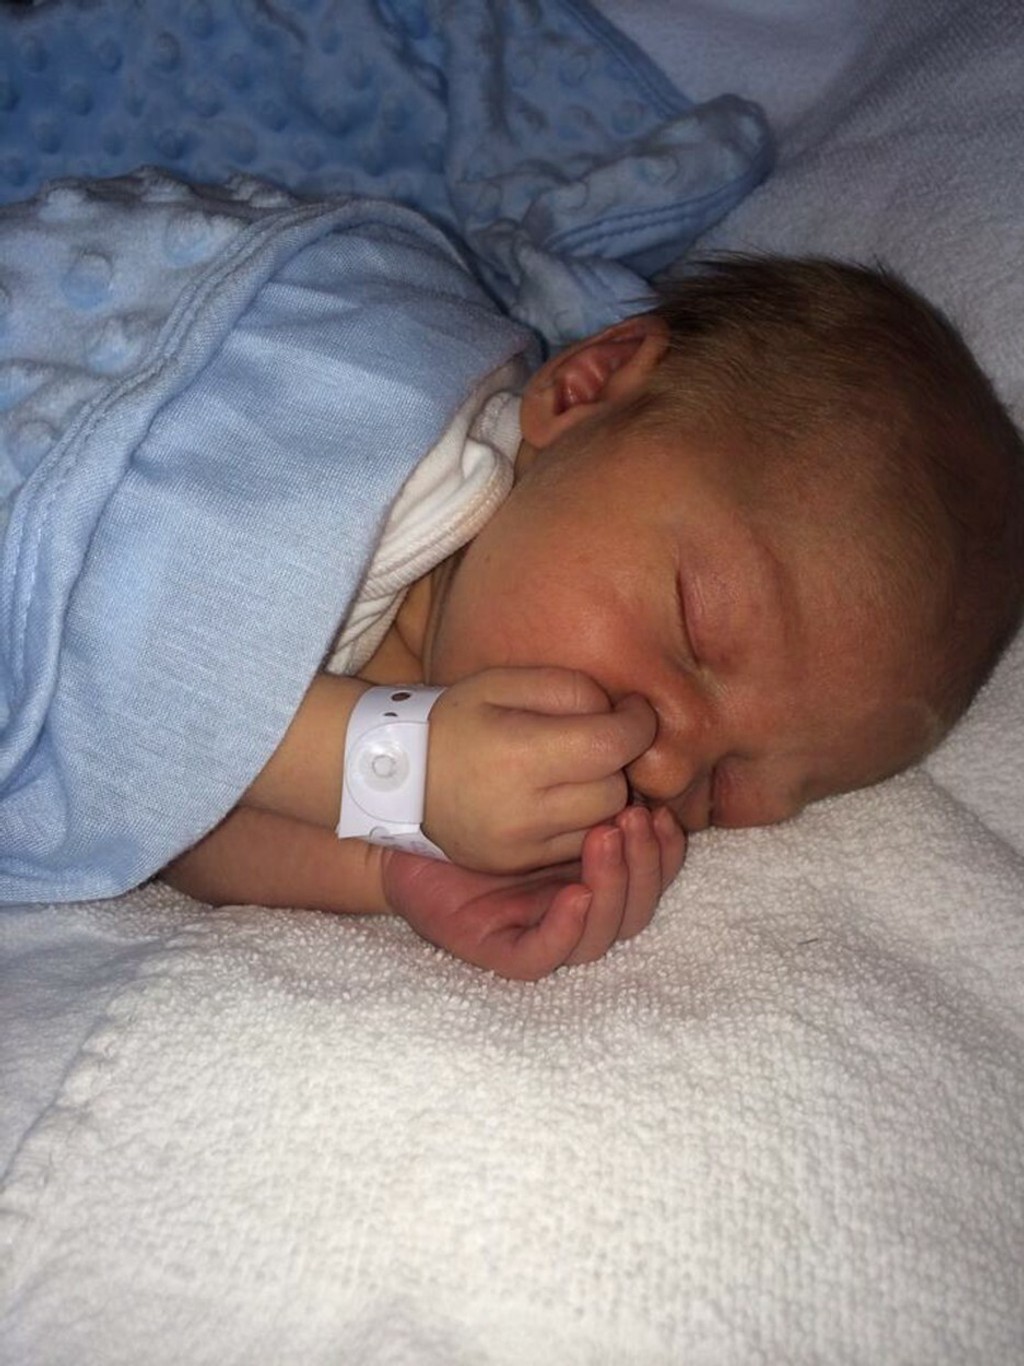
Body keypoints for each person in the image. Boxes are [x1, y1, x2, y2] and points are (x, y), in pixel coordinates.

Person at [162, 255, 1024, 979]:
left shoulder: (445, 665)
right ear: (587, 387)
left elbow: (162, 814)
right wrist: (398, 770)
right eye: (695, 628)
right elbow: (119, 684)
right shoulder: (369, 429)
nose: (665, 764)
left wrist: (393, 863)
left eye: (722, 792)